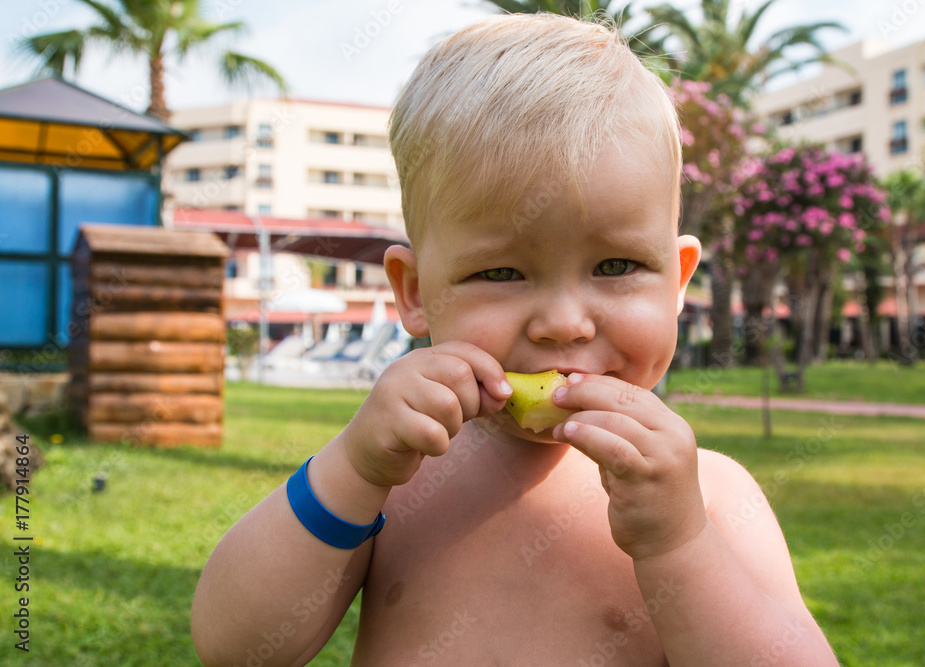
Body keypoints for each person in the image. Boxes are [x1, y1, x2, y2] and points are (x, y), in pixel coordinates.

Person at [191, 13, 838, 666]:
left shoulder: (708, 497)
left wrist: (679, 543)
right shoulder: (399, 477)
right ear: (414, 292)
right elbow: (234, 647)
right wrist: (354, 470)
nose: (564, 322)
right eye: (500, 273)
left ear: (677, 280)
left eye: (616, 265)